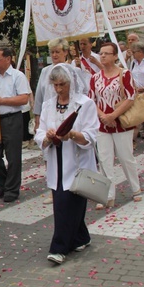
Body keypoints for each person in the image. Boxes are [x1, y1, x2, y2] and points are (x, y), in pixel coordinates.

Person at [35, 64, 99, 265]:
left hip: (77, 160)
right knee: (64, 200)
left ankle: (59, 247)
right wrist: (46, 136)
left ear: (71, 82)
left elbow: (91, 136)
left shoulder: (84, 104)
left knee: (68, 203)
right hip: (57, 159)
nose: (59, 89)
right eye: (55, 85)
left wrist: (71, 134)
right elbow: (39, 131)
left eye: (62, 84)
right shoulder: (48, 105)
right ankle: (81, 237)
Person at [89, 42, 142, 209]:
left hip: (121, 123)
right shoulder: (95, 77)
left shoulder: (124, 74)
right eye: (101, 53)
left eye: (106, 53)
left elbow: (131, 97)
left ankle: (136, 188)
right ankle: (108, 194)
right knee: (105, 160)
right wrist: (104, 116)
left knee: (126, 157)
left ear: (114, 56)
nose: (103, 56)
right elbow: (91, 100)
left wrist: (113, 115)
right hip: (103, 124)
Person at [0, 47, 32, 203]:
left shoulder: (18, 76)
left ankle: (12, 189)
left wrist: (2, 101)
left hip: (12, 118)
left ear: (8, 59)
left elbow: (24, 99)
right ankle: (2, 185)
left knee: (13, 156)